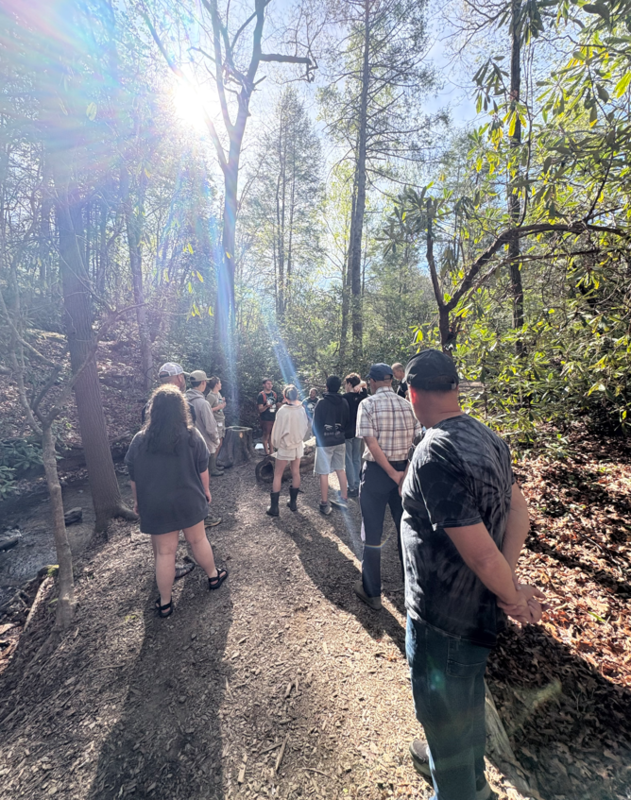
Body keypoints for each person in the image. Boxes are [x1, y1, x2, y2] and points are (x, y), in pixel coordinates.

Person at [400, 349, 544, 800]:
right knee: (464, 708)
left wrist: (511, 594)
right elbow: (519, 511)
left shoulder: (434, 451)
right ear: (455, 389)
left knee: (446, 715)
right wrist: (507, 583)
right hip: (475, 613)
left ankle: (459, 788)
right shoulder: (489, 437)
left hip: (442, 619)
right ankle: (466, 778)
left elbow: (480, 555)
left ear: (413, 394)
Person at [125, 385, 228, 618]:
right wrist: (206, 491)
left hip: (156, 505)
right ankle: (213, 576)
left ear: (153, 410)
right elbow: (203, 468)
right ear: (181, 409)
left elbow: (133, 476)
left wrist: (138, 502)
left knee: (165, 553)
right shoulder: (191, 435)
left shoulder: (140, 440)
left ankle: (165, 603)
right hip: (188, 499)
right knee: (198, 540)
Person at [354, 363, 421, 610]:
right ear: (391, 380)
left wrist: (391, 473)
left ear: (372, 381)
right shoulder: (408, 405)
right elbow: (418, 440)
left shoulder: (367, 404)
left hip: (376, 473)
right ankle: (412, 590)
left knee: (372, 532)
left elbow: (371, 444)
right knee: (407, 531)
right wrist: (404, 474)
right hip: (404, 473)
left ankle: (372, 592)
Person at [185, 370, 222, 528]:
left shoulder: (182, 399)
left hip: (186, 448)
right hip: (203, 447)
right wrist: (216, 441)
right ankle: (203, 516)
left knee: (191, 481)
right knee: (203, 482)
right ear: (203, 383)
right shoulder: (203, 403)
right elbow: (211, 428)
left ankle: (190, 513)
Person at [266, 385, 309, 516]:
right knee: (295, 472)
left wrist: (276, 444)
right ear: (297, 395)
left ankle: (274, 508)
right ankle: (293, 503)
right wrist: (299, 439)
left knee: (278, 474)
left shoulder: (283, 411)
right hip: (297, 444)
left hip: (285, 446)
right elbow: (305, 426)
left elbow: (277, 430)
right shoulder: (301, 409)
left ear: (285, 396)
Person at [312, 375, 349, 515]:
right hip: (340, 439)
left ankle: (324, 503)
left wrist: (317, 436)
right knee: (340, 469)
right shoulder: (344, 402)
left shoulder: (321, 403)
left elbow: (316, 424)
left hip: (324, 442)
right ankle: (344, 498)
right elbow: (347, 420)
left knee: (324, 472)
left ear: (327, 387)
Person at [342, 373, 368, 498]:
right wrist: (361, 385)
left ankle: (351, 486)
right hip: (358, 431)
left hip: (347, 432)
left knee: (348, 459)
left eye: (346, 384)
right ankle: (357, 485)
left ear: (349, 384)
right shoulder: (363, 396)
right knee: (356, 457)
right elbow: (365, 385)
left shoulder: (344, 397)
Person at [206, 376, 226, 476]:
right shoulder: (210, 396)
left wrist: (221, 404)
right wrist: (218, 407)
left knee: (220, 443)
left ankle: (214, 464)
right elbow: (207, 409)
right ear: (216, 384)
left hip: (221, 421)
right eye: (220, 382)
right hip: (215, 423)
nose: (221, 384)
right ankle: (211, 468)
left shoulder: (218, 394)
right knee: (216, 444)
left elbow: (219, 407)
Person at [257, 378, 282, 456]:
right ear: (264, 385)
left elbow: (277, 405)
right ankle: (266, 453)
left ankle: (272, 452)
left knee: (272, 435)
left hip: (274, 418)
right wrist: (266, 406)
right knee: (266, 435)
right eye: (268, 384)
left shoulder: (274, 394)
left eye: (271, 384)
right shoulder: (261, 395)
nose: (270, 385)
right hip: (265, 419)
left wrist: (283, 404)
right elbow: (260, 409)